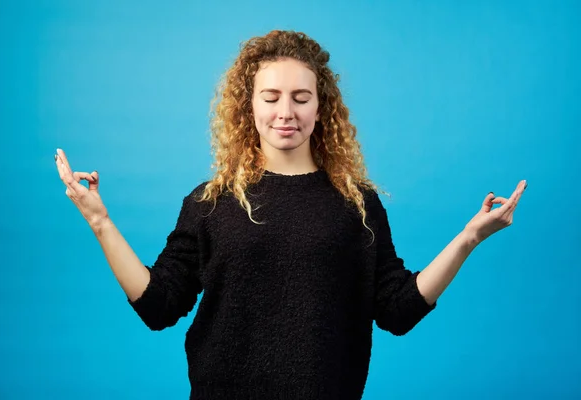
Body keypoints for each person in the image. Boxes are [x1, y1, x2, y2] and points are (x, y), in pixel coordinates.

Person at [54, 30, 527, 400]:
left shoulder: (357, 204)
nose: (286, 111)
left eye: (301, 97)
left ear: (322, 108)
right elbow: (159, 306)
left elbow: (398, 310)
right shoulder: (210, 202)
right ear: (249, 106)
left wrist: (468, 239)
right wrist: (100, 221)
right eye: (271, 96)